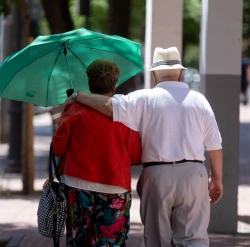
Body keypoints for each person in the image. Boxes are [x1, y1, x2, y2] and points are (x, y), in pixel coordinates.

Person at [63, 47, 223, 247]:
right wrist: (216, 179)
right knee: (194, 238)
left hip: (157, 175)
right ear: (181, 73)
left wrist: (78, 96)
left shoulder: (143, 98)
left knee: (158, 239)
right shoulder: (200, 101)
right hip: (194, 174)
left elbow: (108, 106)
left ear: (154, 75)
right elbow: (214, 144)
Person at [52, 59, 142, 247]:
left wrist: (64, 112)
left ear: (89, 84)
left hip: (77, 184)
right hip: (114, 186)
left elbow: (58, 148)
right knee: (111, 242)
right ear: (115, 85)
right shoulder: (125, 114)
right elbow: (135, 155)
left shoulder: (74, 110)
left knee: (78, 241)